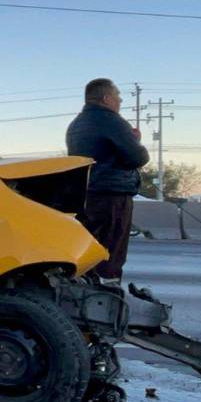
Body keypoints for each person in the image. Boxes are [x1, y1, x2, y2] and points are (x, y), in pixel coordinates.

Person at [66, 78, 150, 286]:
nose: (120, 100)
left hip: (86, 195)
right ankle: (108, 299)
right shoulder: (112, 121)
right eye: (117, 96)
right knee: (111, 254)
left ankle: (85, 294)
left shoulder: (76, 125)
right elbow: (137, 158)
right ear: (106, 98)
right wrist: (135, 141)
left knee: (90, 251)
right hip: (113, 196)